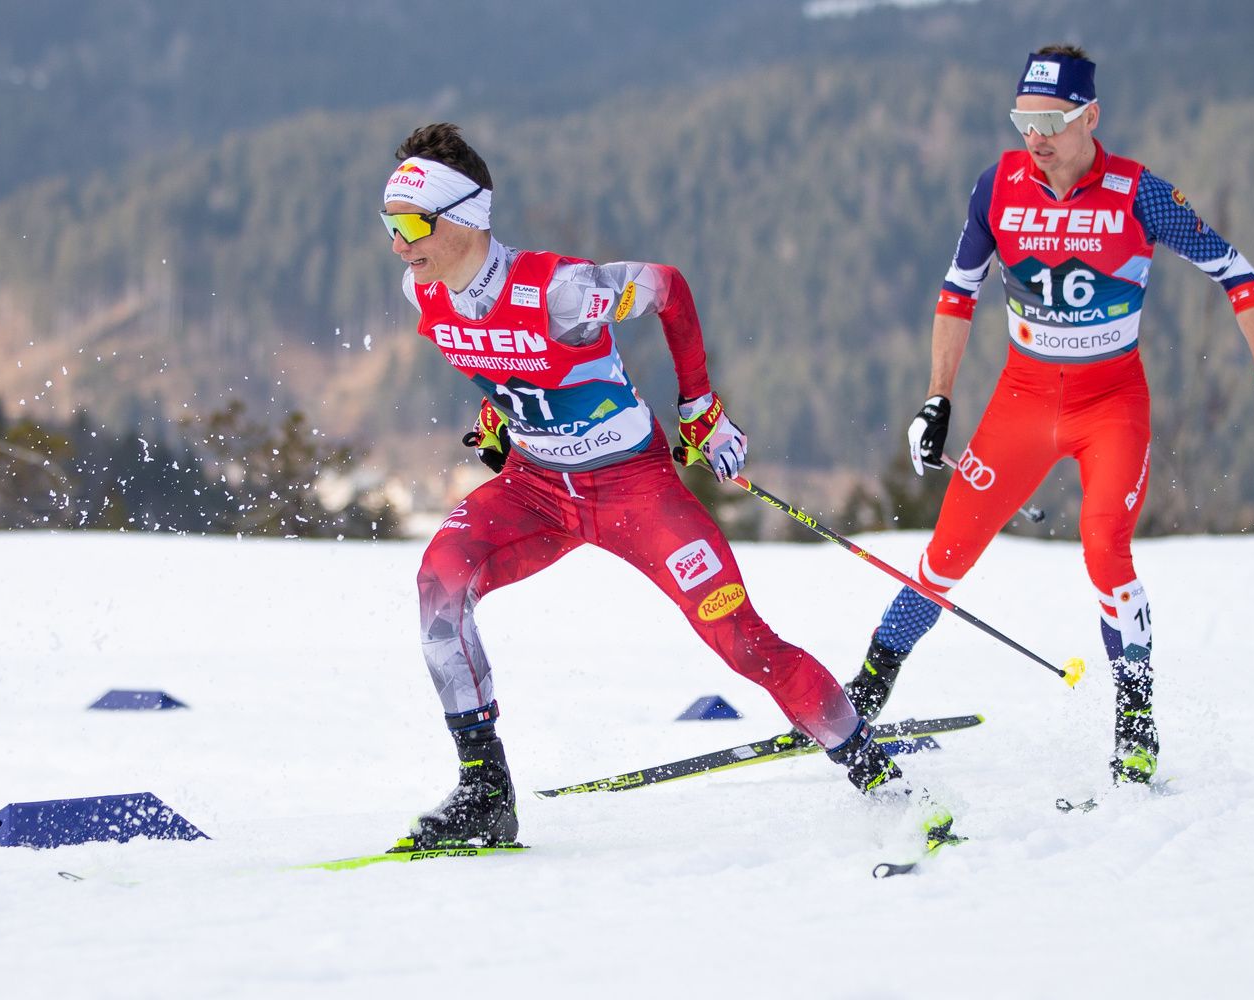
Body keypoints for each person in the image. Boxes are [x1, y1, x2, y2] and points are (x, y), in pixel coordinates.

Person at [381, 123, 929, 847]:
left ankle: (882, 783)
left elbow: (668, 288)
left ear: (466, 217)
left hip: (634, 490)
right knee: (439, 589)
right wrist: (501, 413)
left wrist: (699, 407)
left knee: (744, 643)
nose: (398, 243)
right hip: (536, 488)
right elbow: (505, 362)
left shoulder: (563, 291)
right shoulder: (424, 294)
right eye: (389, 224)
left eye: (414, 224)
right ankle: (486, 794)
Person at [842, 46, 1254, 785]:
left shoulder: (1137, 193)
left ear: (1090, 116)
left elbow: (1236, 270)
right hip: (1021, 404)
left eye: (1052, 120)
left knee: (1104, 552)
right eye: (1024, 118)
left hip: (1109, 408)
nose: (1036, 135)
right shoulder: (997, 186)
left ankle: (1134, 716)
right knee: (946, 553)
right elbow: (956, 294)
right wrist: (938, 399)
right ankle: (869, 686)